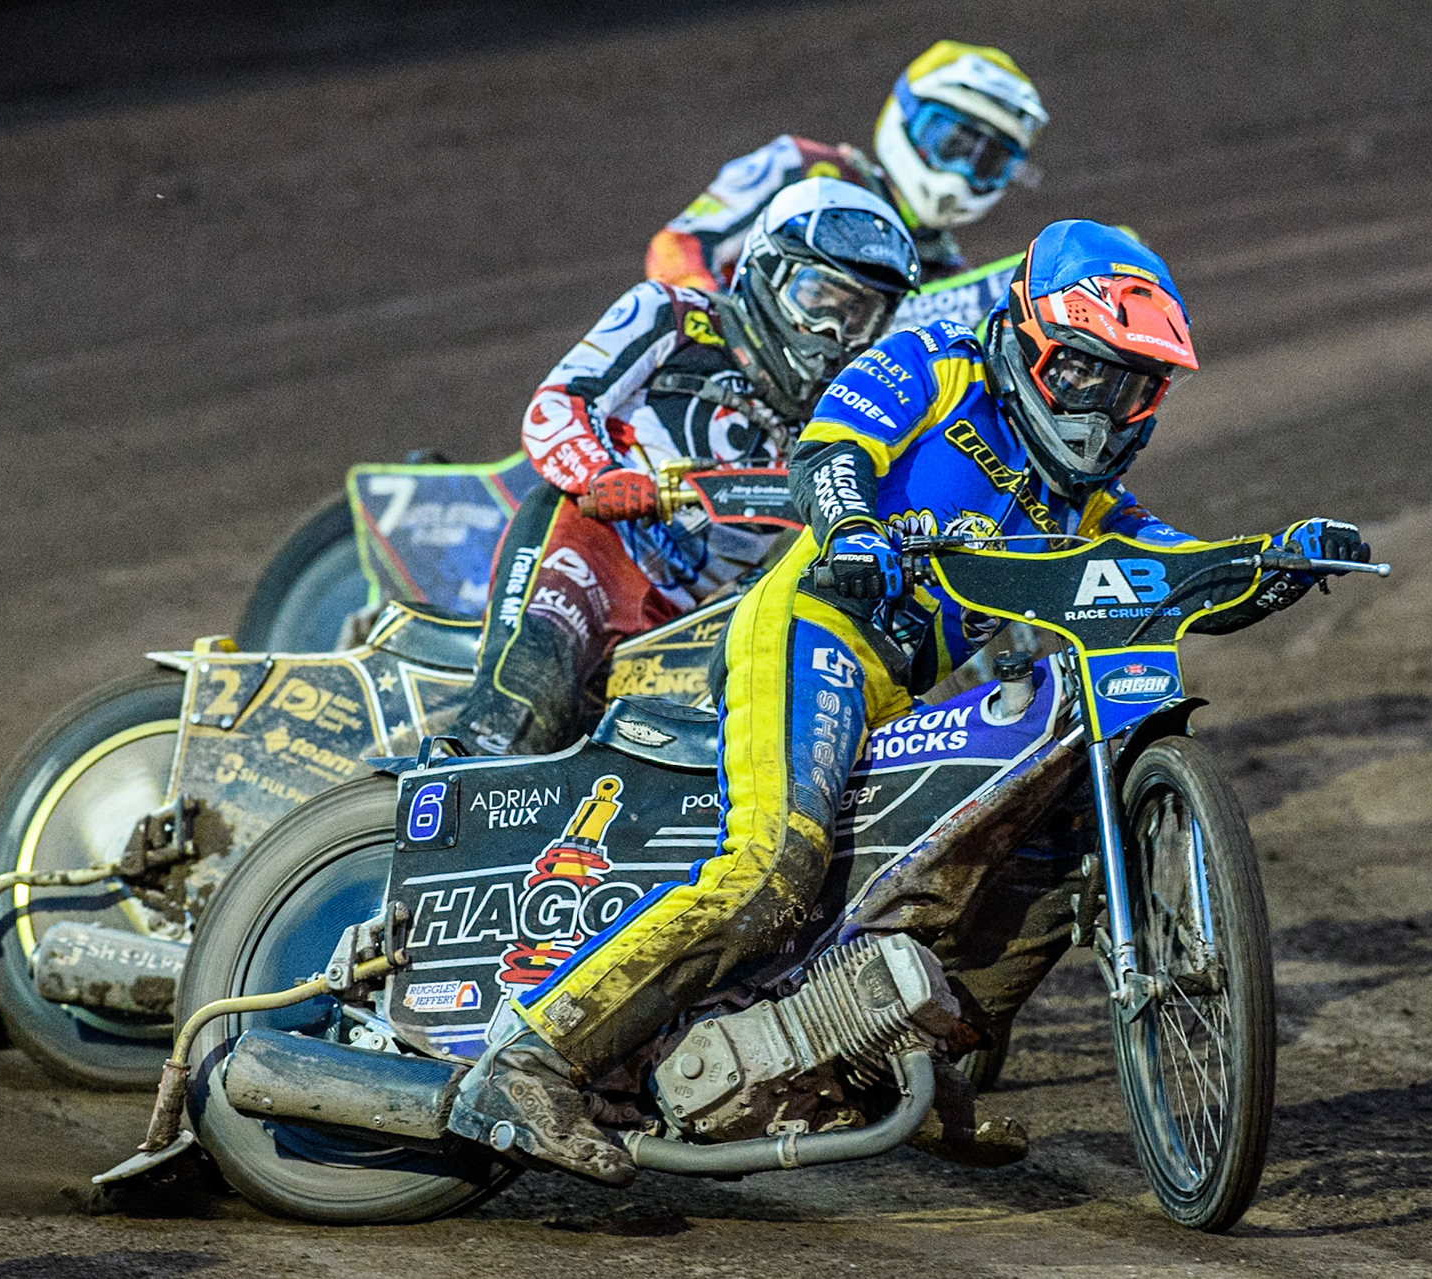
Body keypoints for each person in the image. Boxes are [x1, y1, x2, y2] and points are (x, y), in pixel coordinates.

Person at [448, 219, 1370, 1184]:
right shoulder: (935, 361)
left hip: (899, 691)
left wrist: (1272, 562)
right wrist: (852, 523)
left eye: (1133, 386)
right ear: (1030, 336)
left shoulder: (1084, 497)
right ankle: (532, 1061)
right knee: (773, 868)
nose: (1104, 410)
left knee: (1049, 841)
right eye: (1087, 374)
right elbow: (832, 447)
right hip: (811, 633)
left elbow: (1169, 568)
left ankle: (907, 1065)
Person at [454, 178, 920, 756]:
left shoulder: (846, 415)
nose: (834, 333)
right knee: (525, 705)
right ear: (766, 270)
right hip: (598, 547)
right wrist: (601, 476)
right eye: (818, 299)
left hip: (709, 611)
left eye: (860, 318)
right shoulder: (674, 314)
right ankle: (468, 764)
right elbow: (557, 404)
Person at [646, 41, 1047, 293]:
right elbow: (677, 247)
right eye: (952, 143)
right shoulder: (804, 170)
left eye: (987, 161)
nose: (961, 170)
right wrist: (723, 332)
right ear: (907, 118)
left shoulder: (948, 278)